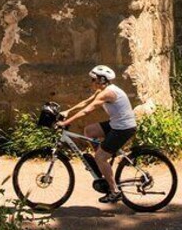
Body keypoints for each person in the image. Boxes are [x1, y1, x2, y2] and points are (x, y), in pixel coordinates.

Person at [57, 65, 137, 204]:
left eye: (93, 79)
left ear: (101, 80)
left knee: (100, 157)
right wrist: (67, 111)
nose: (91, 82)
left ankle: (114, 191)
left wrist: (65, 123)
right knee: (89, 131)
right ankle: (103, 162)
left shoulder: (107, 93)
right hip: (116, 124)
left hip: (123, 128)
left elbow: (87, 111)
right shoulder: (103, 90)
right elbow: (85, 102)